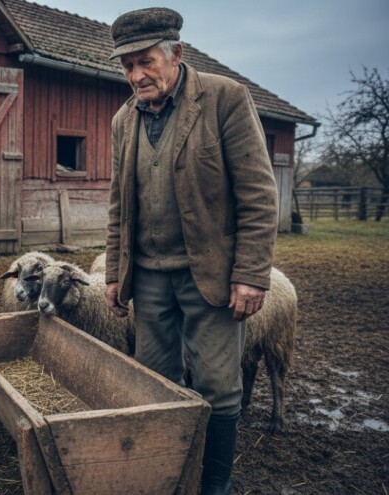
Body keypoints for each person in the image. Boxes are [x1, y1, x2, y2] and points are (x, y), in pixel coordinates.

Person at [102, 7, 278, 495]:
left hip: (212, 277)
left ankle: (213, 485)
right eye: (127, 66)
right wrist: (115, 273)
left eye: (145, 62)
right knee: (155, 382)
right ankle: (169, 476)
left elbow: (259, 194)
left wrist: (252, 273)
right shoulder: (123, 120)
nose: (136, 75)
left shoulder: (224, 99)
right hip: (150, 278)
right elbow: (119, 206)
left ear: (175, 54)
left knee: (218, 387)